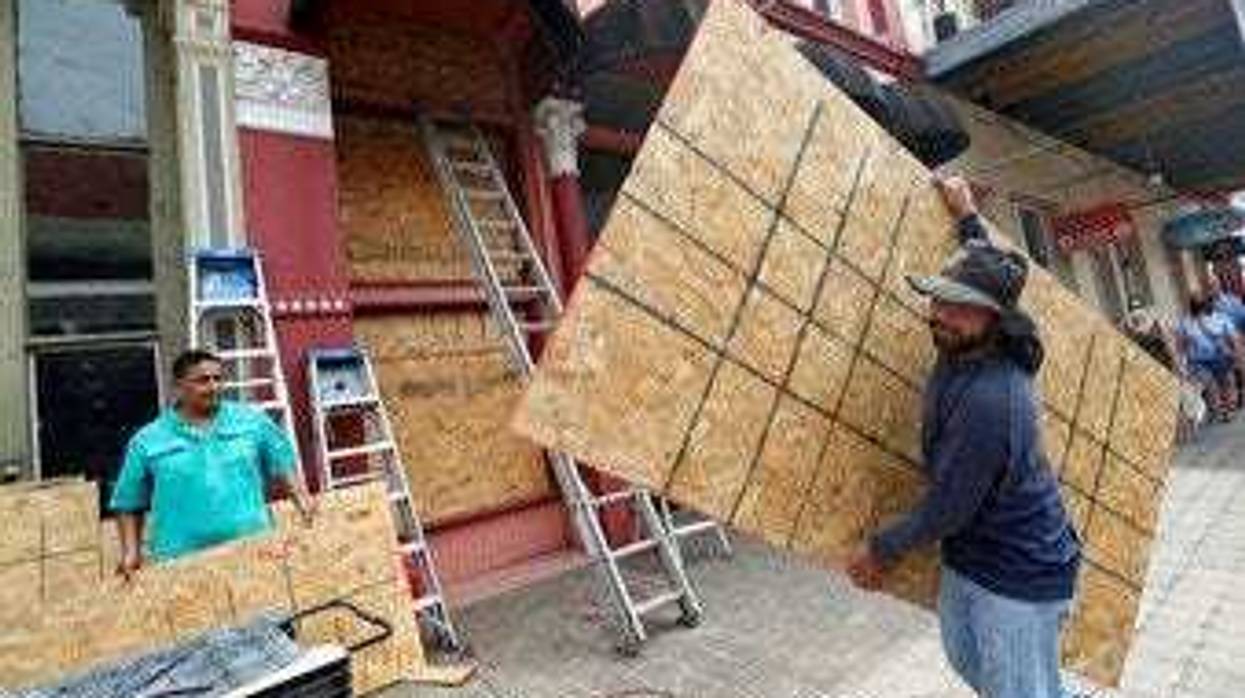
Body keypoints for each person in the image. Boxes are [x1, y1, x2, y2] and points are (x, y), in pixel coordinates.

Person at [847, 176, 1081, 698]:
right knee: (968, 658)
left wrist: (883, 549)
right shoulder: (967, 340)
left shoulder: (993, 400)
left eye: (959, 305)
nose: (941, 315)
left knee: (1016, 690)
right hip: (976, 553)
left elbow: (950, 505)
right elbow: (986, 263)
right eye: (938, 299)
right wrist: (967, 214)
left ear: (995, 318)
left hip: (1019, 570)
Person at [110, 349, 316, 577]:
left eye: (218, 379)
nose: (213, 387)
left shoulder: (252, 421)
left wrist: (303, 502)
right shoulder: (147, 440)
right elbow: (128, 503)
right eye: (203, 380)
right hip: (180, 565)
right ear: (178, 387)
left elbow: (282, 462)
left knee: (265, 613)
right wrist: (131, 553)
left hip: (254, 553)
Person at [1175, 295, 1238, 421]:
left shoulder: (1218, 318)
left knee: (1225, 383)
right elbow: (1181, 345)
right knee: (1210, 384)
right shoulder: (1185, 323)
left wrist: (1234, 352)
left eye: (1198, 304)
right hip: (1199, 361)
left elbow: (1230, 337)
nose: (1197, 307)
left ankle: (1228, 408)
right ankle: (1221, 410)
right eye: (1194, 304)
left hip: (1219, 357)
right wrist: (1181, 362)